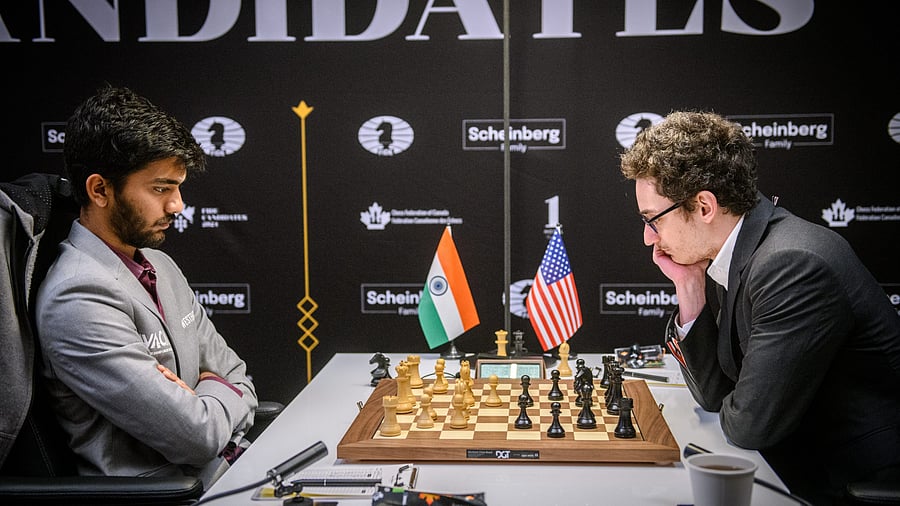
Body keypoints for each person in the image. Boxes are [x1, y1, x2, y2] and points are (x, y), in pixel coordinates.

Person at [620, 111, 900, 504]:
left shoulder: (790, 265)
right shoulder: (743, 251)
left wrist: (740, 398)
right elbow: (718, 396)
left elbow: (750, 425)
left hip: (849, 479)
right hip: (798, 464)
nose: (649, 239)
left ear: (703, 207)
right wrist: (689, 287)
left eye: (653, 220)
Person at [36, 85, 258, 488]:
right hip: (169, 494)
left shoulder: (160, 264)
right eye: (161, 188)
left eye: (177, 187)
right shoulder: (77, 295)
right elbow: (197, 438)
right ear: (100, 190)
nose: (177, 205)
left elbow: (239, 374)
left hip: (230, 472)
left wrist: (208, 392)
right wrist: (217, 389)